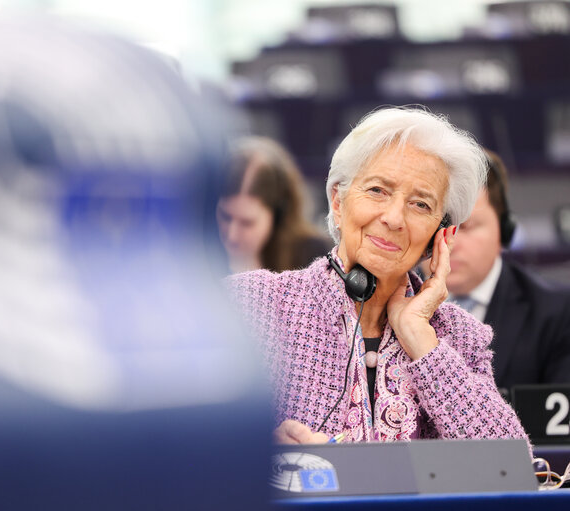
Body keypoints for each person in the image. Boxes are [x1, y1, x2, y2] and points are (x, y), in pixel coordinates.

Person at [225, 107, 529, 445]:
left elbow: (510, 466)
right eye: (377, 191)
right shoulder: (253, 304)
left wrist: (421, 340)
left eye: (421, 205)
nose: (394, 217)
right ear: (338, 203)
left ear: (439, 236)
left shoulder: (457, 336)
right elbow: (197, 449)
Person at [445, 149, 570, 390]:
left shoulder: (558, 313)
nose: (450, 243)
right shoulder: (387, 307)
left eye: (467, 227)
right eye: (441, 226)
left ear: (504, 230)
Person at [216, 136, 330, 273]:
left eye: (247, 223)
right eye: (225, 217)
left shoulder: (313, 258)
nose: (231, 235)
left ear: (278, 215)